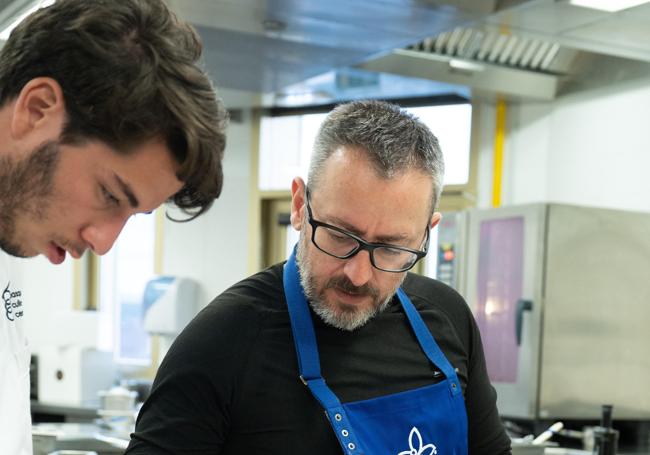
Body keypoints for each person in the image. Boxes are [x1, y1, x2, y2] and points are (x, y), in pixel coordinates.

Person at [127, 101, 512, 454]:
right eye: (341, 236)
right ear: (299, 206)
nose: (359, 275)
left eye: (392, 249)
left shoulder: (448, 318)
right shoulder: (222, 341)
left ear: (427, 232)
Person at [0, 0, 228, 453]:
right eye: (109, 194)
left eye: (132, 216)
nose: (103, 243)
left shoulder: (14, 240)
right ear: (38, 108)